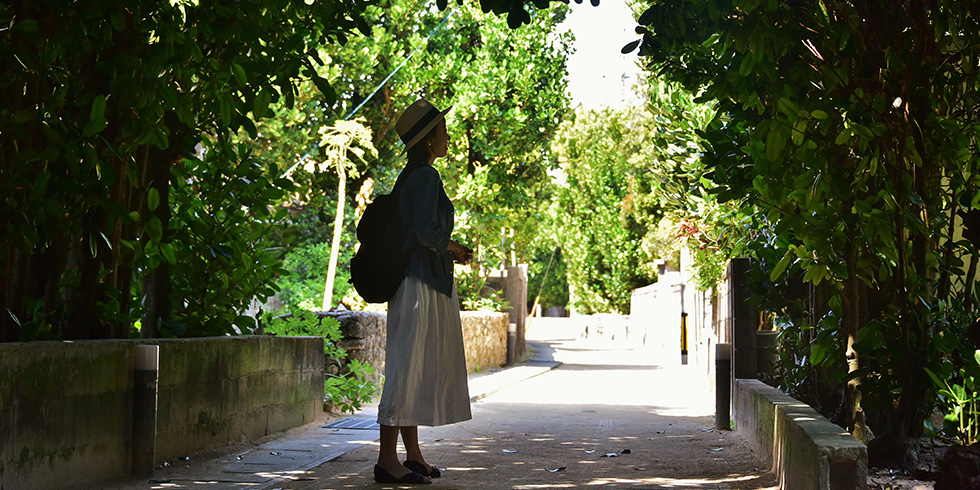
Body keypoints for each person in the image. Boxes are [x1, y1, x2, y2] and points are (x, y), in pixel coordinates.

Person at [374, 98, 474, 485]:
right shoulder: (426, 177)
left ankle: (412, 455)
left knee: (410, 366)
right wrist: (457, 249)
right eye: (442, 132)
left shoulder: (411, 175)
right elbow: (426, 234)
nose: (446, 137)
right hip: (421, 283)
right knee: (405, 367)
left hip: (416, 280)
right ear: (428, 140)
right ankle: (386, 460)